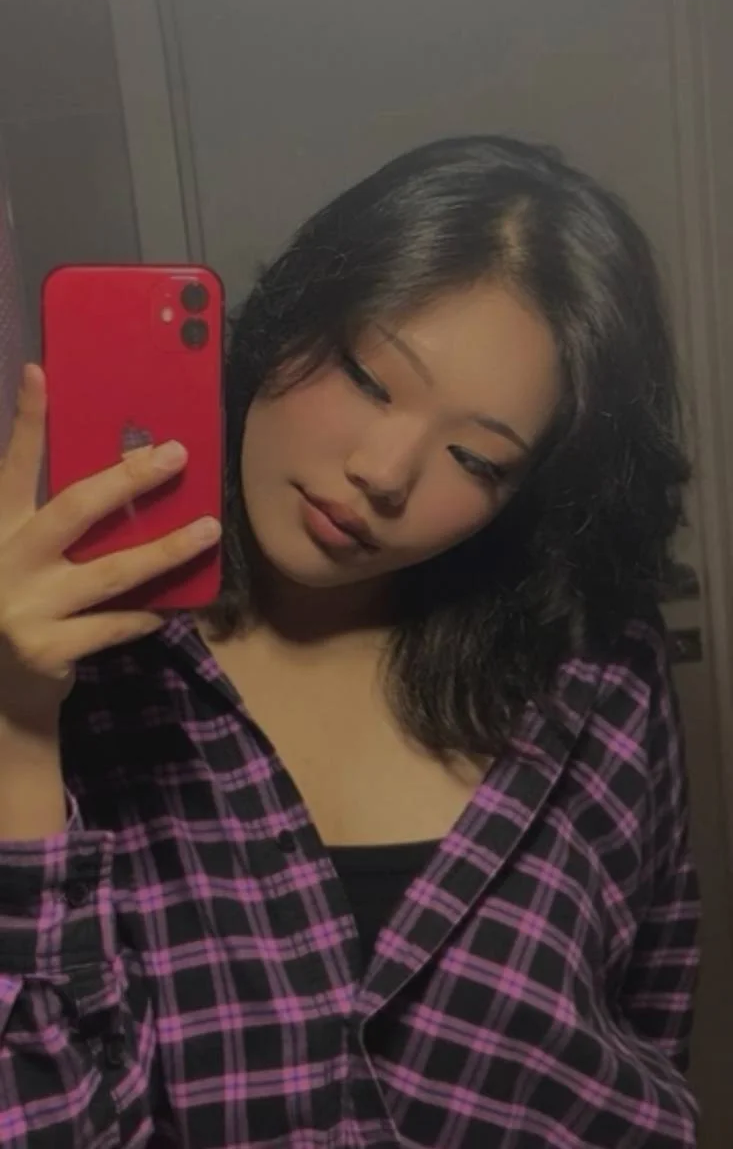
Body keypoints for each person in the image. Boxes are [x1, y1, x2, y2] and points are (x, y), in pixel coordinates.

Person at [0, 136, 699, 1148]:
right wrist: (17, 723)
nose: (384, 471)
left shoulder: (595, 672)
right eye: (370, 379)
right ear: (291, 315)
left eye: (477, 458)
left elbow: (650, 1017)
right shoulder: (81, 662)